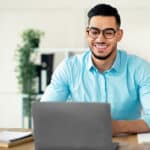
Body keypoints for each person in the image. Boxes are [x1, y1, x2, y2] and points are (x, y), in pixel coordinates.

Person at [41, 4, 150, 136]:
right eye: (94, 32)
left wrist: (117, 126)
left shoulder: (141, 68)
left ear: (119, 35)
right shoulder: (68, 68)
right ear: (87, 33)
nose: (100, 39)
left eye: (108, 32)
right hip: (81, 142)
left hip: (128, 143)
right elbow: (45, 115)